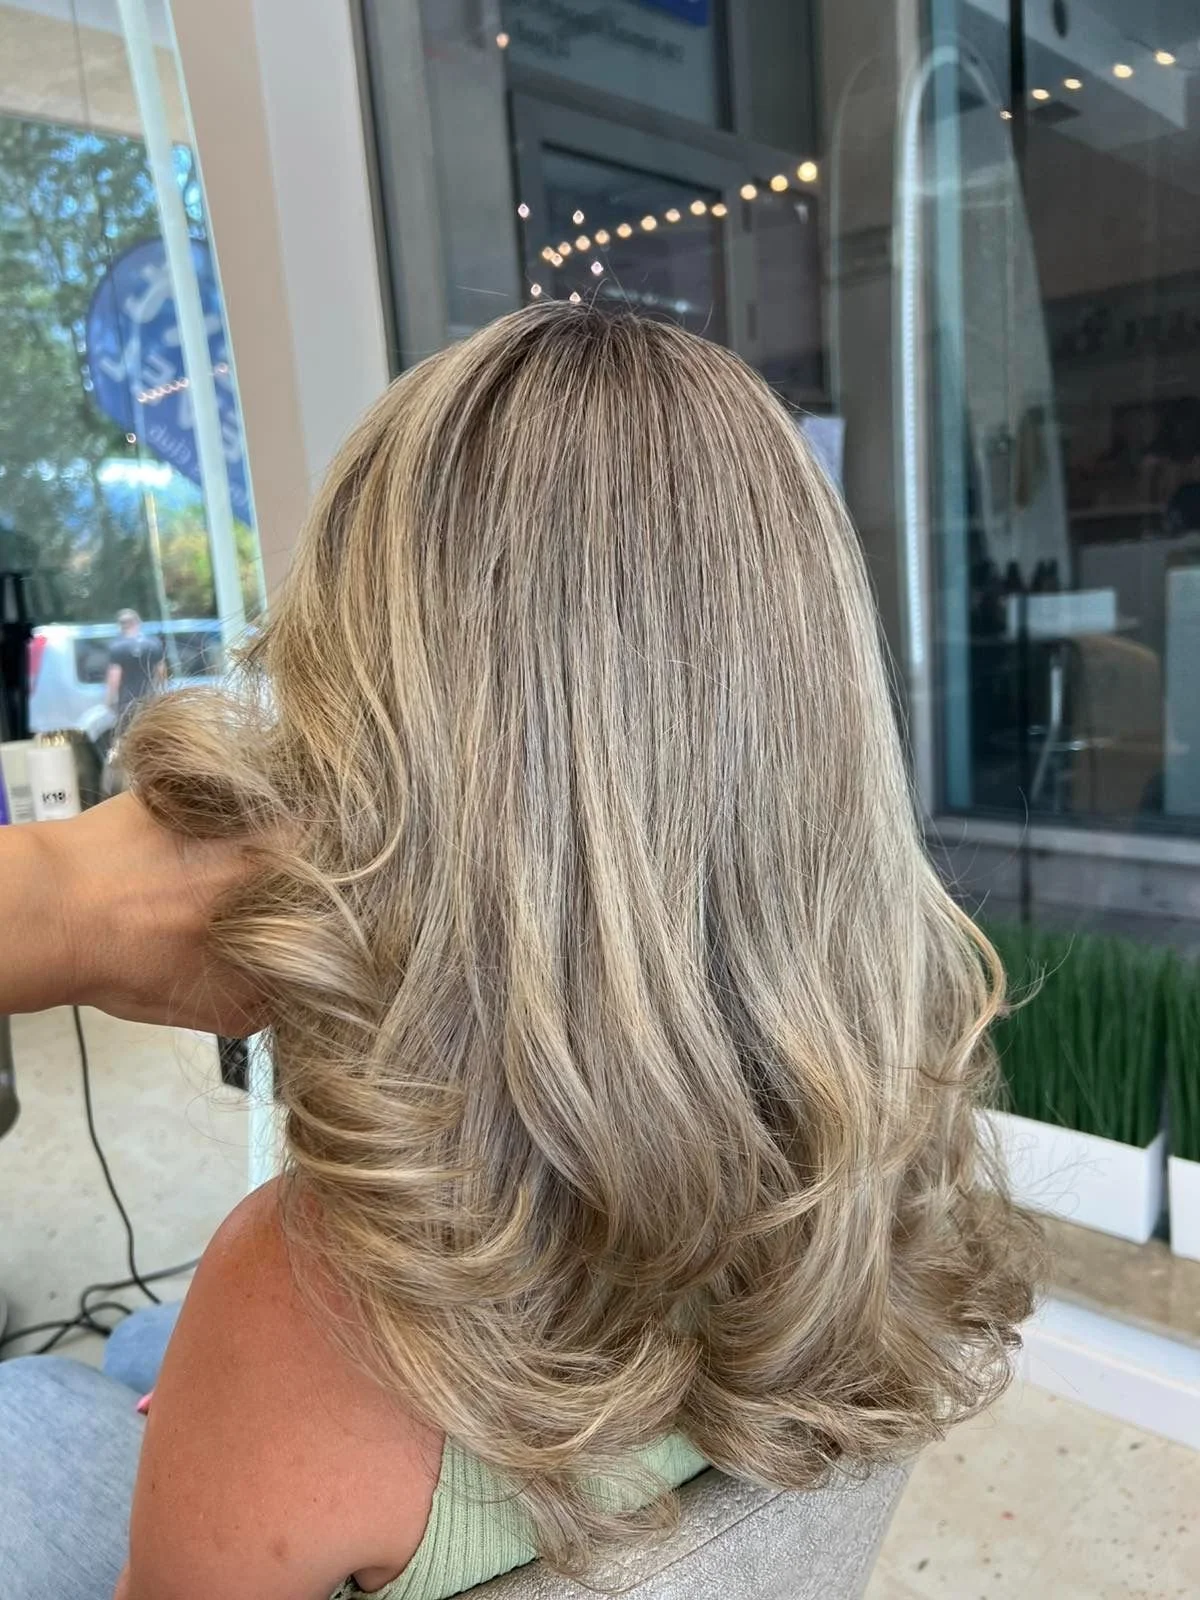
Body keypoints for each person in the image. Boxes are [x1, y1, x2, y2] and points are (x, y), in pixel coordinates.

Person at [0, 305, 1040, 1600]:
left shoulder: (304, 1302)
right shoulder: (893, 1140)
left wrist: (54, 898)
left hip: (309, 1420)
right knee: (136, 1355)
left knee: (42, 1401)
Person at [105, 609, 165, 730]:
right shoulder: (154, 644)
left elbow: (115, 677)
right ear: (138, 623)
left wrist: (110, 699)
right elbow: (161, 672)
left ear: (120, 625)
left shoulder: (117, 646)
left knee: (129, 732)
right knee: (150, 730)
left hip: (127, 701)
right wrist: (161, 693)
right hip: (150, 699)